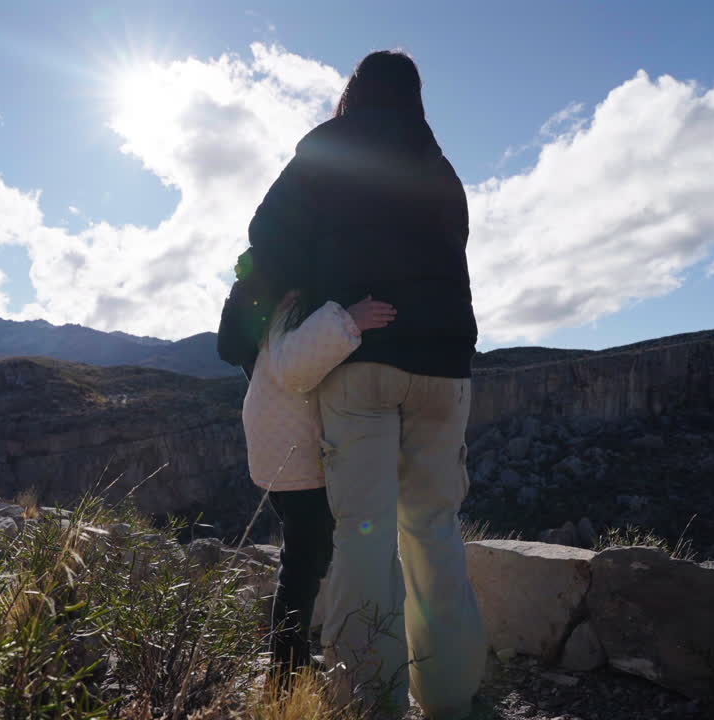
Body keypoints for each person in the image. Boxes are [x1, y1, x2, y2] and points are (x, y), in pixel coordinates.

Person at [244, 50, 485, 719]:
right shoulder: (442, 171)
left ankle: (367, 704)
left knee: (363, 537)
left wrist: (319, 288)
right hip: (446, 368)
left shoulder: (326, 151)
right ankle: (452, 700)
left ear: (354, 93)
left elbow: (266, 238)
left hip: (364, 362)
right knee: (435, 531)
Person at [240, 283, 396, 687]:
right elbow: (296, 368)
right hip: (293, 452)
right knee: (303, 565)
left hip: (280, 447)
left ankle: (289, 662)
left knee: (304, 559)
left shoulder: (277, 303)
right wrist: (349, 320)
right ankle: (286, 672)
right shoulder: (292, 302)